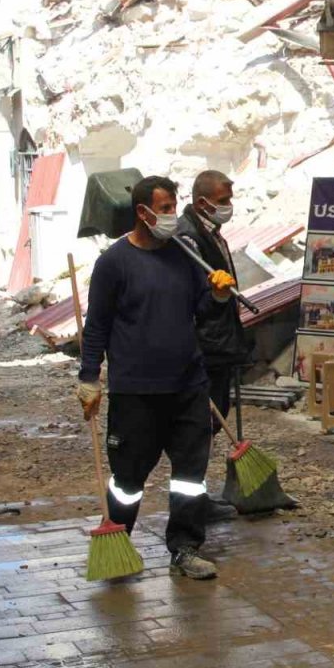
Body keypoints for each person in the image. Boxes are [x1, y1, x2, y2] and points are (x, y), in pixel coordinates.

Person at [77, 175, 238, 580]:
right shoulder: (114, 263)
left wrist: (218, 295)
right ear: (142, 212)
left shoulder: (184, 255)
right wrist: (89, 376)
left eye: (173, 207)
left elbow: (202, 309)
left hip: (188, 386)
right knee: (128, 478)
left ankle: (185, 548)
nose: (172, 215)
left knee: (190, 478)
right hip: (136, 391)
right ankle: (117, 542)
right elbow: (96, 326)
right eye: (165, 209)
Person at [176, 170, 253, 523]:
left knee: (212, 420)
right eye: (223, 201)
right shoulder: (188, 238)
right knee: (198, 427)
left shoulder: (210, 232)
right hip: (204, 345)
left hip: (219, 343)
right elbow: (194, 298)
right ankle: (191, 504)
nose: (228, 207)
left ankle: (198, 498)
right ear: (202, 202)